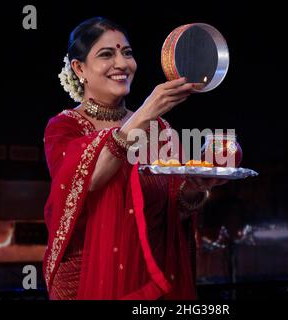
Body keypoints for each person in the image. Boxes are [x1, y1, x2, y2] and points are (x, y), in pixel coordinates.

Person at [43, 17, 226, 300]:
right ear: (80, 69)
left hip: (151, 281)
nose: (122, 63)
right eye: (107, 54)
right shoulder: (65, 127)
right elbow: (91, 179)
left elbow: (174, 210)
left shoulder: (160, 129)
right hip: (84, 282)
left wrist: (199, 186)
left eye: (126, 53)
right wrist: (144, 114)